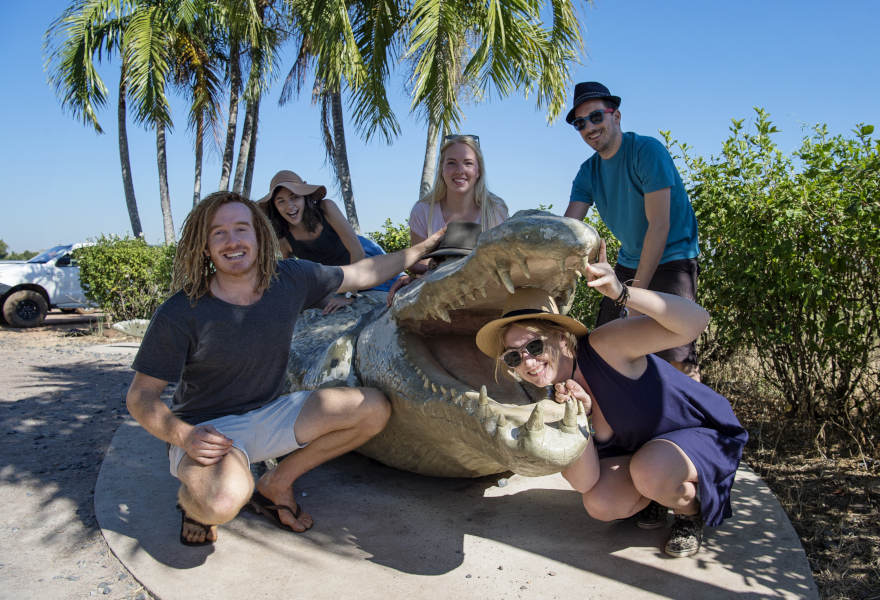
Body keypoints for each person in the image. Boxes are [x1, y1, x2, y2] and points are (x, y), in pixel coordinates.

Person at [126, 191, 443, 546]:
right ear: (204, 246)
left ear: (259, 237)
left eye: (241, 229)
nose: (232, 241)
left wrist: (423, 248)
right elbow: (141, 396)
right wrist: (183, 436)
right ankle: (195, 504)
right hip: (207, 431)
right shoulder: (180, 311)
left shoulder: (289, 278)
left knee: (373, 408)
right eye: (219, 233)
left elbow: (363, 273)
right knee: (223, 501)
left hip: (271, 412)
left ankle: (275, 484)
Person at [474, 242, 746, 558]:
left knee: (651, 471)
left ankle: (690, 512)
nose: (528, 363)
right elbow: (585, 481)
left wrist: (622, 293)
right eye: (513, 357)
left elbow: (696, 320)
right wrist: (580, 419)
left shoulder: (605, 346)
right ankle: (657, 496)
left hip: (697, 434)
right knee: (600, 503)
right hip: (648, 456)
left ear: (561, 339)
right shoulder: (553, 399)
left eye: (534, 347)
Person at [563, 82, 701, 382]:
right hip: (629, 260)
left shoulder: (646, 151)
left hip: (673, 256)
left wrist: (632, 296)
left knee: (677, 356)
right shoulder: (588, 172)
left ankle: (702, 423)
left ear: (617, 116)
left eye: (596, 117)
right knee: (604, 346)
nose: (589, 127)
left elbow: (660, 225)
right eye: (580, 123)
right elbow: (567, 231)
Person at [260, 170, 366, 312]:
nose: (290, 206)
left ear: (304, 197)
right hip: (334, 281)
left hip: (361, 261)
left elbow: (357, 251)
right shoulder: (283, 238)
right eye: (281, 201)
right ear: (275, 207)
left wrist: (349, 295)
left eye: (295, 197)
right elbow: (290, 275)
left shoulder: (326, 208)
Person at [406, 134, 508, 276]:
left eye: (468, 163)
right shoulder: (423, 210)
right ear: (442, 169)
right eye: (451, 163)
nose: (460, 170)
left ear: (478, 171)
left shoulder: (496, 209)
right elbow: (418, 264)